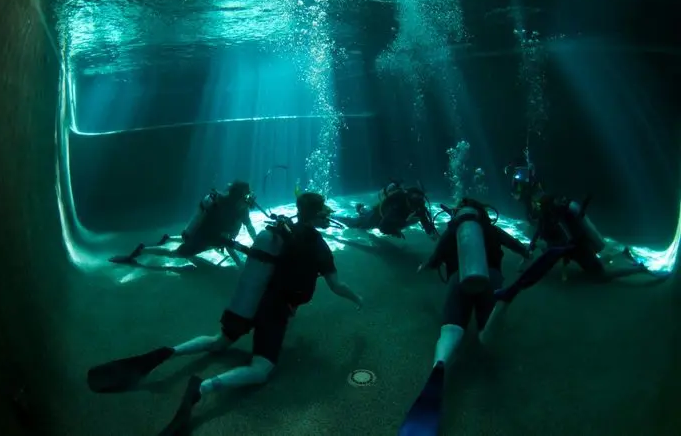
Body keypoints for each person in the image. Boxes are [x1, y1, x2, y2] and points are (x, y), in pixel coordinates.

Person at [97, 191, 364, 435]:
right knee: (261, 369)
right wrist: (357, 298)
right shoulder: (318, 247)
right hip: (274, 309)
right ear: (318, 215)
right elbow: (336, 285)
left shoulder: (281, 231)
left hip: (250, 299)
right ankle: (201, 389)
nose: (328, 218)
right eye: (325, 213)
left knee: (218, 341)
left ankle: (167, 353)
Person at [399, 198, 531, 435]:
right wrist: (525, 256)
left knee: (451, 329)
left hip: (458, 280)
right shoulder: (491, 229)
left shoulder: (453, 232)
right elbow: (519, 246)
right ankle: (493, 321)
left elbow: (433, 260)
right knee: (484, 332)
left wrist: (424, 267)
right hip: (490, 280)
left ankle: (440, 364)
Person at [109, 181, 258, 268]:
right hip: (203, 236)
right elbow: (217, 237)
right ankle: (141, 250)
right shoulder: (221, 209)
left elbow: (248, 227)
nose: (248, 202)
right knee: (176, 254)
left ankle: (168, 238)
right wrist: (241, 249)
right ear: (237, 198)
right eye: (245, 198)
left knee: (191, 240)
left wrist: (251, 248)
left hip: (209, 238)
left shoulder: (241, 210)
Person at [527, 194, 646, 281]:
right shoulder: (547, 218)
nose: (537, 208)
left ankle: (638, 269)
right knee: (595, 269)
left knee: (601, 276)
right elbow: (541, 232)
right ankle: (621, 254)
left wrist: (546, 246)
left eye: (539, 205)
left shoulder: (557, 220)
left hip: (579, 249)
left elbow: (567, 239)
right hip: (575, 250)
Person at [337, 181, 437, 239]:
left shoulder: (419, 205)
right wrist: (396, 230)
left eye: (420, 200)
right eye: (415, 200)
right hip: (376, 216)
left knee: (366, 216)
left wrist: (430, 232)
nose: (417, 206)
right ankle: (336, 216)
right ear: (408, 199)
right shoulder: (398, 204)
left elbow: (424, 219)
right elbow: (382, 226)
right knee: (356, 224)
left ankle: (362, 210)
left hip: (388, 217)